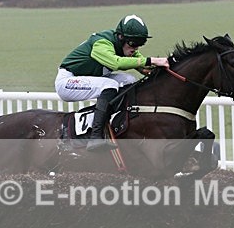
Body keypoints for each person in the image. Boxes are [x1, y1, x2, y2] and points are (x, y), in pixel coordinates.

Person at [55, 14, 170, 151]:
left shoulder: (125, 47)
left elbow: (143, 67)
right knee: (109, 85)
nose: (135, 49)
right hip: (67, 82)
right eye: (133, 44)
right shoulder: (102, 43)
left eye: (140, 44)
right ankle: (95, 136)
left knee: (129, 80)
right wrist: (152, 60)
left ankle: (119, 119)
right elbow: (116, 63)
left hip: (88, 79)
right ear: (121, 37)